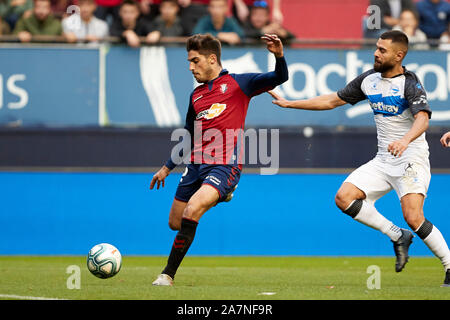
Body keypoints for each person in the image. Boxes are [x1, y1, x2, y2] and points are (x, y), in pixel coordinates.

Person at [269, 30, 450, 287]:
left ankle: (449, 265)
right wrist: (290, 103)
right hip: (384, 159)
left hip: (411, 158)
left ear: (399, 55)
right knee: (344, 198)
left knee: (413, 216)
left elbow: (423, 118)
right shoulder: (368, 79)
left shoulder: (410, 83)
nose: (376, 53)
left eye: (382, 50)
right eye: (376, 47)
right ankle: (397, 235)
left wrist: (405, 140)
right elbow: (332, 100)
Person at [150, 33, 288, 286]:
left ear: (212, 59)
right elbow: (189, 134)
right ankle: (220, 195)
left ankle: (167, 274)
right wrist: (166, 167)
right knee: (175, 223)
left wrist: (278, 55)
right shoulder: (196, 96)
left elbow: (279, 78)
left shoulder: (240, 84)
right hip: (196, 164)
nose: (191, 67)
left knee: (193, 209)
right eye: (189, 62)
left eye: (195, 61)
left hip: (225, 164)